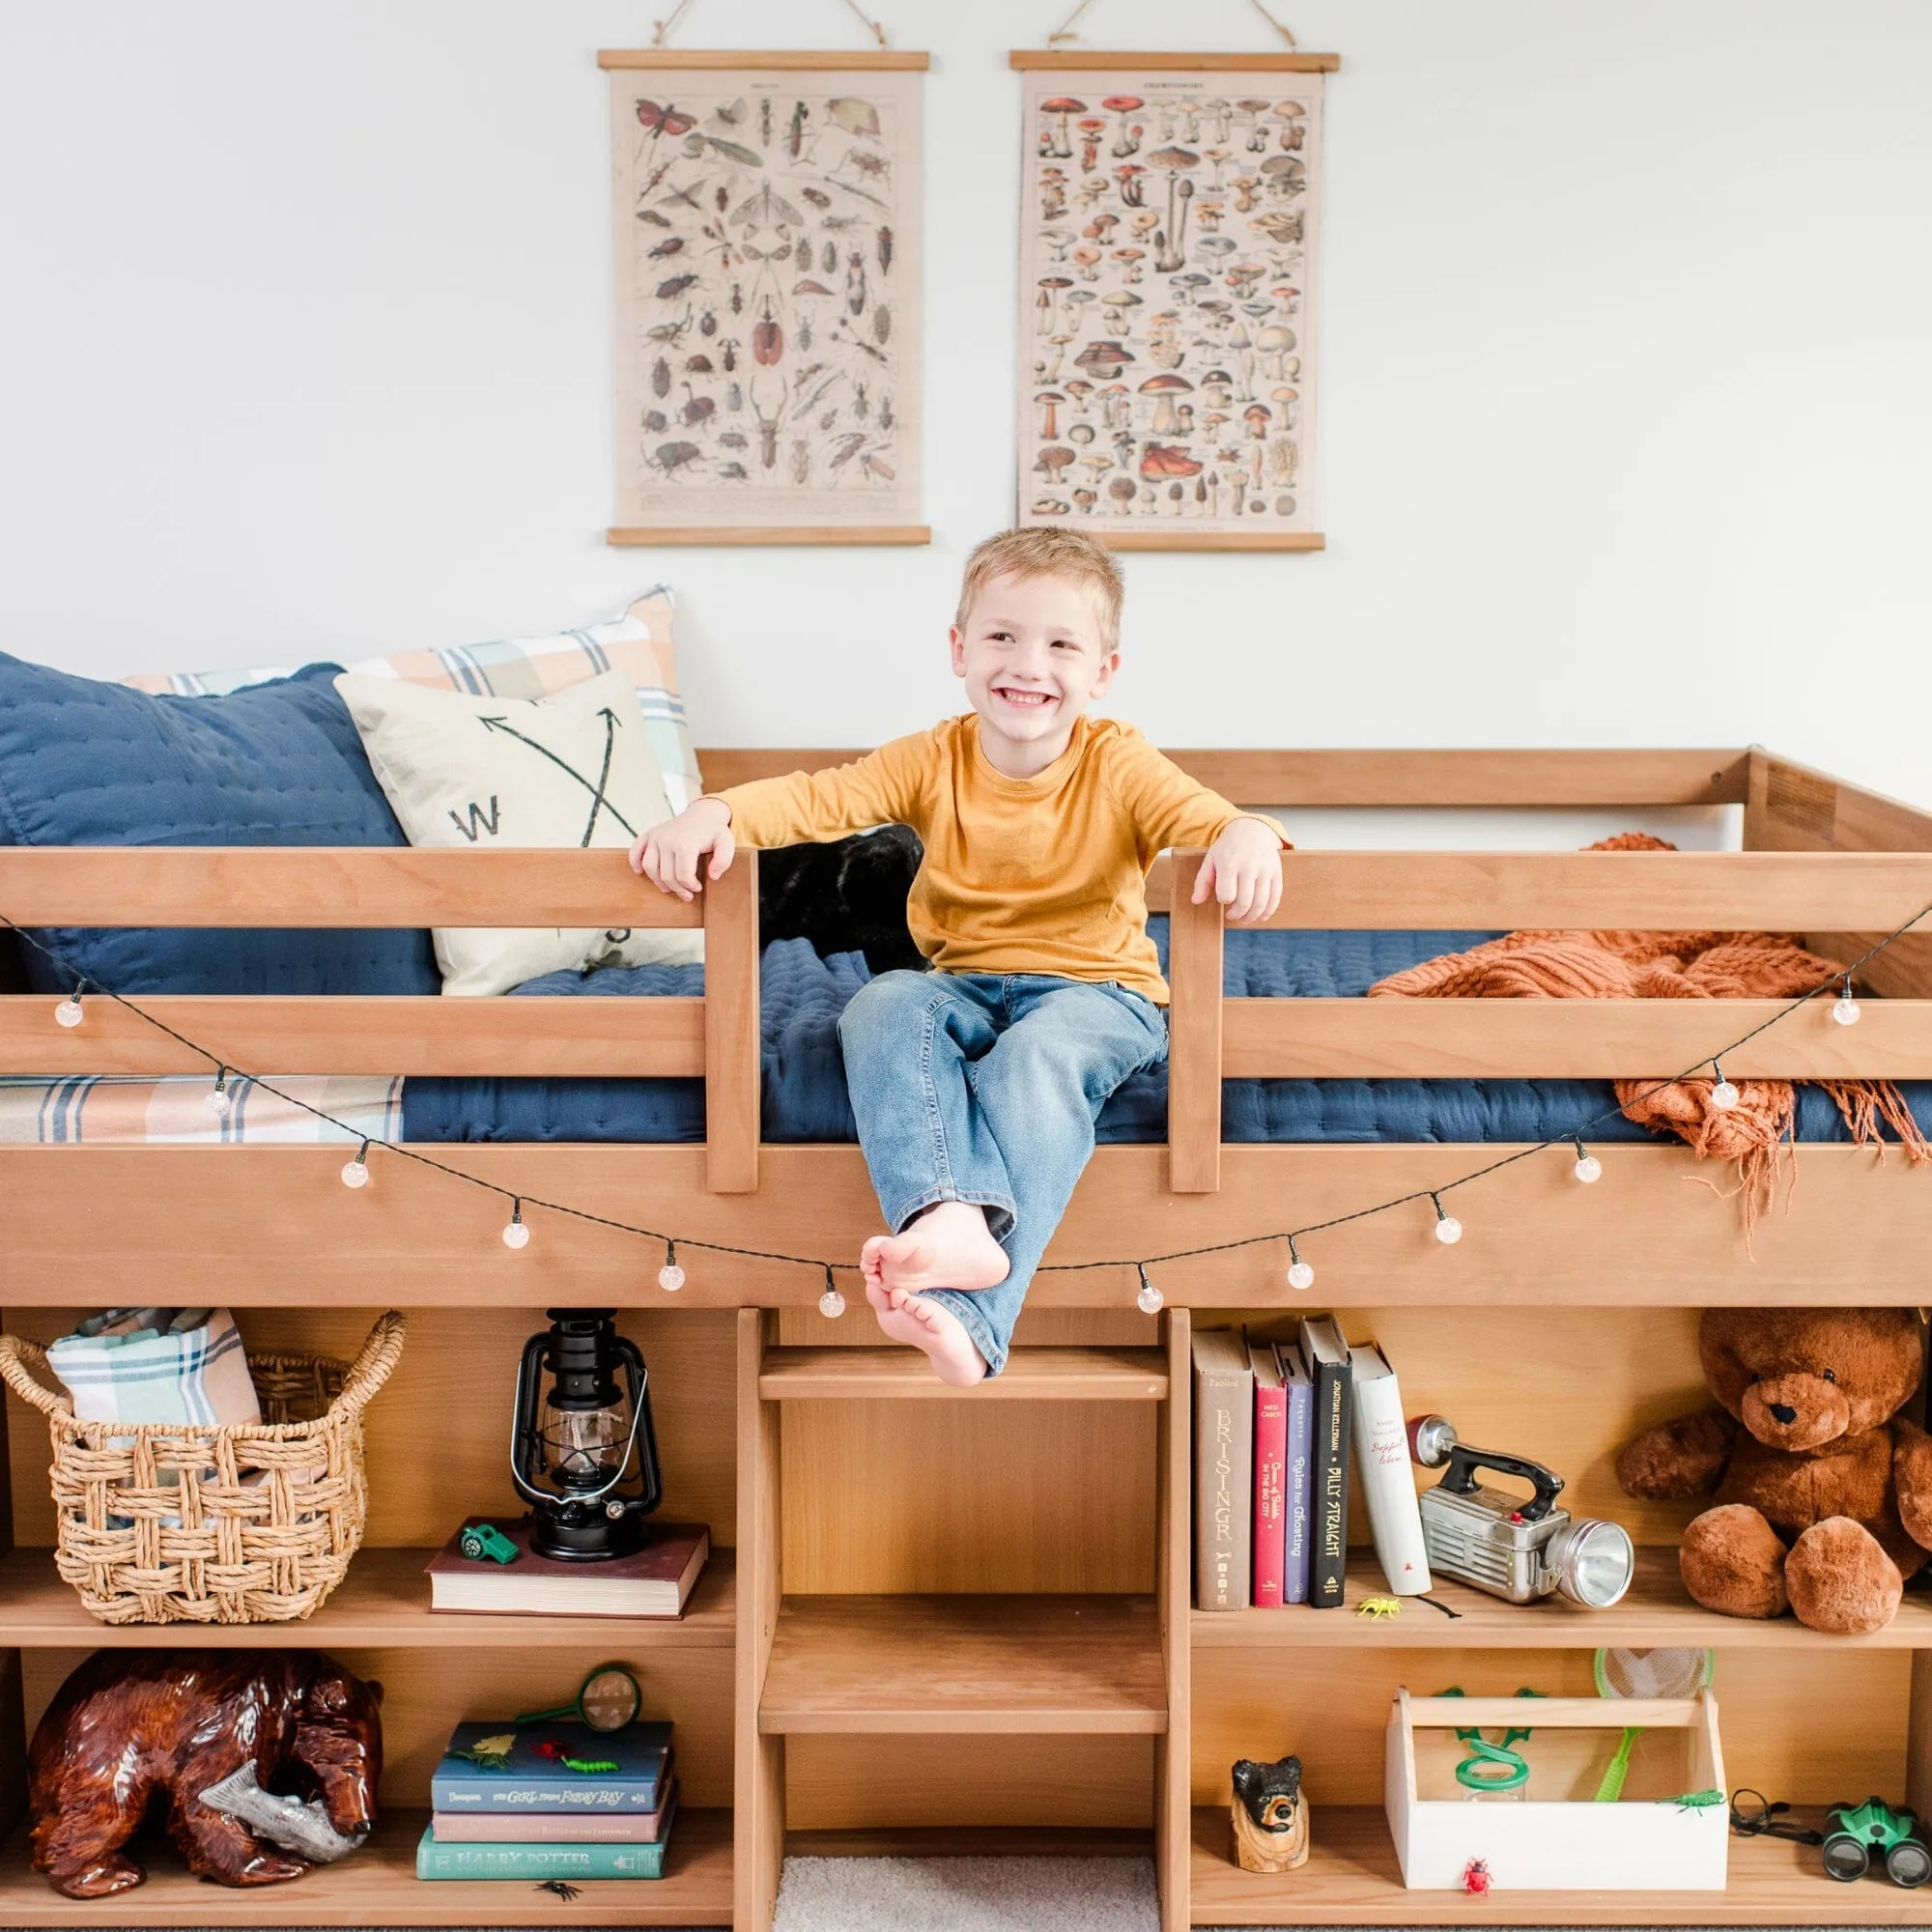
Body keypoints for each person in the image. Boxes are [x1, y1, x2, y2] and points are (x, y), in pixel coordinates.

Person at [631, 527, 1285, 1384]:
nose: (1028, 663)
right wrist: (711, 814)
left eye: (1061, 644)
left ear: (1103, 672)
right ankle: (946, 1213)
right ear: (959, 649)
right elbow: (819, 797)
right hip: (963, 984)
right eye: (1003, 636)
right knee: (879, 1004)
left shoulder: (1118, 763)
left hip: (1097, 994)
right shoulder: (933, 756)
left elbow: (1206, 816)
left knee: (1034, 1060)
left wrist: (1247, 833)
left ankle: (973, 1324)